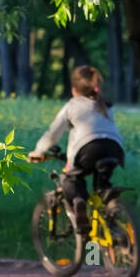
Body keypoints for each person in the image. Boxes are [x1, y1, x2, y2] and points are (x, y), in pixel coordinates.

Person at [30, 65, 125, 235]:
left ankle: (78, 202)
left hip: (88, 150)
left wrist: (38, 152)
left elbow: (53, 135)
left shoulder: (72, 105)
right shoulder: (105, 105)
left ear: (74, 89)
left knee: (70, 179)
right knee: (102, 188)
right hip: (115, 148)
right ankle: (111, 219)